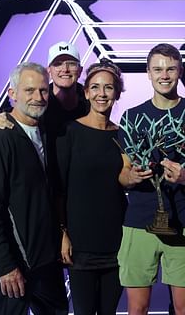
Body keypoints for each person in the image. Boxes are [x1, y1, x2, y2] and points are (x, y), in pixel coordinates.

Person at [117, 43, 185, 315]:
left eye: (171, 68)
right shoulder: (131, 117)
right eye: (158, 69)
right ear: (148, 73)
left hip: (183, 222)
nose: (164, 74)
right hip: (138, 222)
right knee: (137, 308)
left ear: (179, 72)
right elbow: (123, 176)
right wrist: (134, 177)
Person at [0, 62, 68, 314]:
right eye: (29, 91)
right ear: (12, 94)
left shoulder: (46, 131)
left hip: (47, 262)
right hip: (16, 264)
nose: (38, 97)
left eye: (43, 91)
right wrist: (5, 265)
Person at [56, 58, 126, 314]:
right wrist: (63, 232)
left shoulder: (122, 135)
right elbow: (58, 188)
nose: (101, 94)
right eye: (95, 87)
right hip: (80, 244)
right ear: (85, 92)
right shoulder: (69, 133)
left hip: (116, 243)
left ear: (117, 93)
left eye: (108, 88)